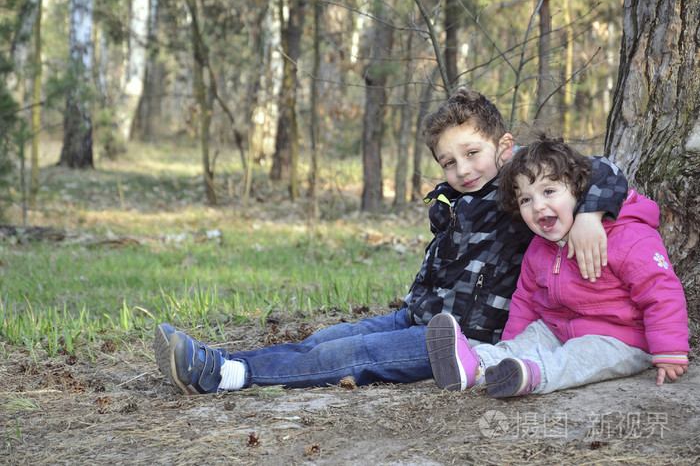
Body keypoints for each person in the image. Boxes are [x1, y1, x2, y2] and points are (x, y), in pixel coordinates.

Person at [153, 90, 629, 395]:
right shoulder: (451, 201)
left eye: (472, 153)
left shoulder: (520, 191)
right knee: (327, 339)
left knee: (354, 357)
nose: (462, 169)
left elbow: (603, 169)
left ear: (504, 148)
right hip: (413, 314)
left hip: (459, 339)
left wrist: (590, 215)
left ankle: (223, 373)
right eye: (448, 161)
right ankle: (237, 361)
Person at [425, 135, 689, 398]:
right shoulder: (539, 247)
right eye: (525, 200)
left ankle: (530, 374)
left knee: (579, 357)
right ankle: (476, 364)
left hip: (619, 338)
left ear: (579, 190)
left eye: (549, 191)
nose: (538, 206)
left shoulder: (628, 237)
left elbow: (661, 291)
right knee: (530, 338)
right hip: (556, 329)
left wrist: (670, 350)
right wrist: (513, 343)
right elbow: (525, 301)